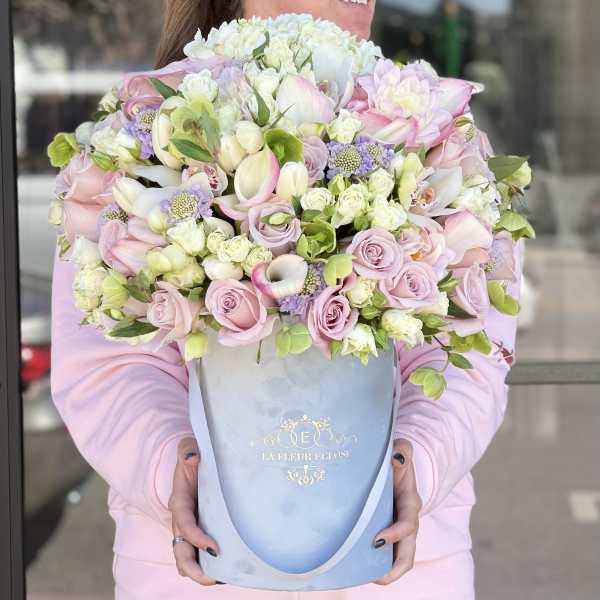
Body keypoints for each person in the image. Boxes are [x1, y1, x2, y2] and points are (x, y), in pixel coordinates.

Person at [50, 0, 524, 598]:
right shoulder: (139, 132)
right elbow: (108, 365)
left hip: (397, 564)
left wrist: (416, 462)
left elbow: (469, 356)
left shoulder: (439, 130)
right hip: (199, 566)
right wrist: (173, 468)